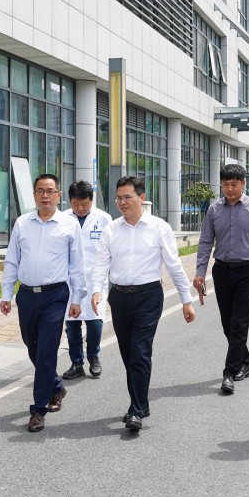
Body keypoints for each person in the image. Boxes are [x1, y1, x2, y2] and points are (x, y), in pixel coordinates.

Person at [91, 176, 195, 431]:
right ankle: (142, 402)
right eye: (118, 198)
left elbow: (174, 265)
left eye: (127, 197)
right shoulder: (111, 229)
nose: (122, 202)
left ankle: (136, 410)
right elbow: (101, 263)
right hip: (119, 297)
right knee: (128, 354)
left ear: (141, 197)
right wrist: (96, 291)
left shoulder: (159, 227)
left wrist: (186, 300)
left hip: (148, 297)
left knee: (140, 352)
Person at [0, 174, 86, 433]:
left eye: (50, 191)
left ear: (58, 195)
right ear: (34, 195)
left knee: (47, 350)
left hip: (55, 295)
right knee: (33, 348)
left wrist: (77, 298)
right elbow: (12, 260)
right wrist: (6, 294)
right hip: (26, 295)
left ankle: (38, 410)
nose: (45, 195)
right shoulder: (22, 223)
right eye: (40, 191)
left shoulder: (69, 225)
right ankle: (56, 386)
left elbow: (77, 265)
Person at [193, 164, 249, 394]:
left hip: (246, 272)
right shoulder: (214, 209)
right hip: (221, 271)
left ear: (243, 184)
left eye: (234, 184)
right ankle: (244, 363)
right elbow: (205, 242)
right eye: (225, 184)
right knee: (228, 324)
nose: (229, 188)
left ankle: (229, 373)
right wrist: (200, 272)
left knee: (239, 324)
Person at [62, 181, 112, 380]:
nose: (80, 208)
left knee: (95, 322)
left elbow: (110, 251)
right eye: (76, 204)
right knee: (72, 325)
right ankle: (77, 363)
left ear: (92, 200)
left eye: (84, 204)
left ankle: (93, 355)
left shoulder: (104, 219)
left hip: (95, 280)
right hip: (70, 280)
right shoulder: (63, 219)